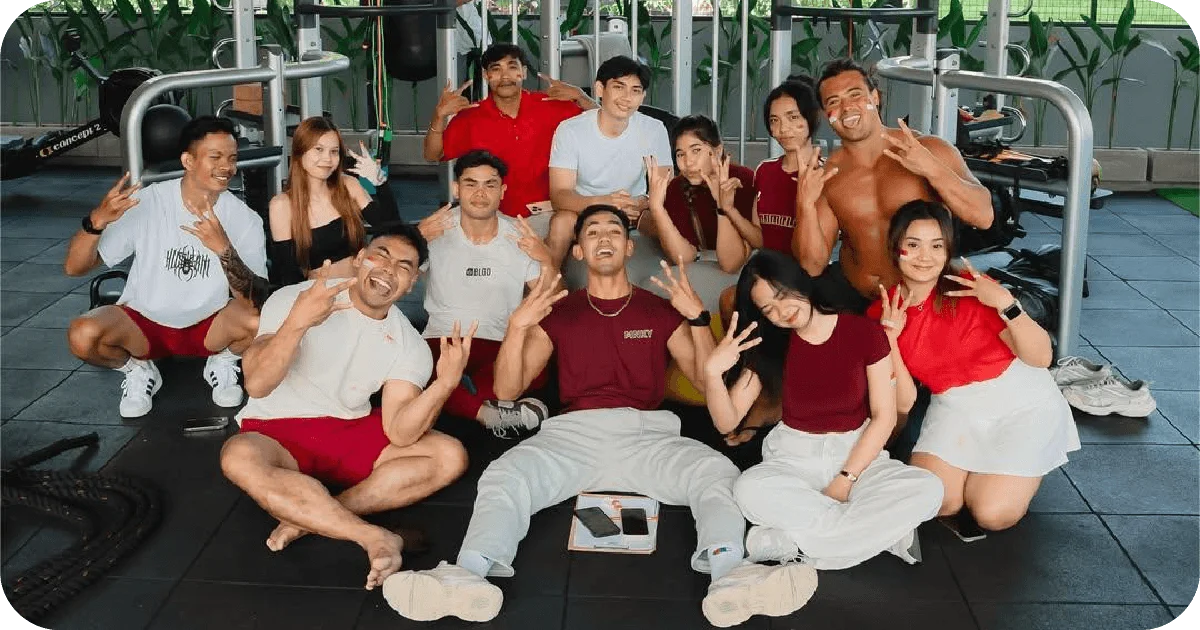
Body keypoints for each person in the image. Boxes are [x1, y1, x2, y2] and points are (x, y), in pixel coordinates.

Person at [381, 206, 818, 628]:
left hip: (648, 432)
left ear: (629, 248)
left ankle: (729, 575)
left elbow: (708, 388)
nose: (604, 238)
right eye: (592, 233)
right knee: (504, 475)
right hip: (573, 434)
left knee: (717, 474)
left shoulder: (659, 310)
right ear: (578, 252)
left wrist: (698, 319)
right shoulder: (559, 312)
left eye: (613, 231)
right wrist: (517, 326)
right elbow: (508, 391)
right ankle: (468, 575)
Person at [219, 223, 471, 591]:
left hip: (345, 428)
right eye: (381, 254)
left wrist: (444, 384)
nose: (388, 269)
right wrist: (298, 323)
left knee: (450, 456)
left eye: (404, 266)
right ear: (358, 259)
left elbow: (400, 431)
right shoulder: (297, 298)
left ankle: (310, 517)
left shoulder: (409, 344)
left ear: (412, 283)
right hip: (274, 429)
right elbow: (258, 383)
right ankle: (373, 537)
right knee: (236, 457)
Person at [704, 249, 943, 570]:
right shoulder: (770, 349)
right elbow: (726, 422)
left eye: (782, 295)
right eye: (768, 309)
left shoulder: (863, 333)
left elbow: (885, 417)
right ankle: (881, 535)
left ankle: (793, 543)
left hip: (858, 455)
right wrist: (712, 374)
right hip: (793, 458)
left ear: (800, 282)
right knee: (748, 490)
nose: (781, 312)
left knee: (928, 488)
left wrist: (845, 479)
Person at [870, 201, 1080, 531]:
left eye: (937, 246)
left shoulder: (970, 287)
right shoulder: (883, 311)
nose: (926, 257)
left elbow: (1041, 359)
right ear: (896, 249)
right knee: (938, 502)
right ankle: (989, 471)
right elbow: (905, 401)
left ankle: (1023, 466)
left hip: (1020, 405)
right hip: (956, 408)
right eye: (913, 245)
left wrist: (1006, 304)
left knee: (991, 514)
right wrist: (891, 339)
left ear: (948, 249)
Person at [64, 116, 267, 418]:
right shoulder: (148, 202)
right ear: (188, 160)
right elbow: (75, 268)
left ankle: (223, 361)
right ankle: (137, 370)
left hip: (210, 325)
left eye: (232, 158)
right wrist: (96, 222)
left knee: (261, 320)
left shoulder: (244, 219)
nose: (227, 167)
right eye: (215, 157)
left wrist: (224, 249)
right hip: (144, 325)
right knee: (82, 334)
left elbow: (254, 300)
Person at [794, 58, 994, 311]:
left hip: (921, 300)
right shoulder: (828, 174)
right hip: (856, 297)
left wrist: (932, 169)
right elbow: (812, 265)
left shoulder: (929, 149)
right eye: (833, 102)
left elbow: (984, 216)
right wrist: (806, 205)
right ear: (825, 114)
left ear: (875, 97)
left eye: (855, 95)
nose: (846, 108)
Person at [416, 150, 553, 435]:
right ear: (457, 188)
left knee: (535, 370)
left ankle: (463, 404)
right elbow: (394, 279)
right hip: (441, 339)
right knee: (413, 367)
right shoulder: (434, 229)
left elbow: (550, 296)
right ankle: (486, 413)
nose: (480, 193)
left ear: (502, 191)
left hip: (497, 341)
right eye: (471, 183)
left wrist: (546, 258)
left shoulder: (519, 233)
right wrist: (415, 240)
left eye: (490, 184)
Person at [424, 43, 595, 224]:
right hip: (491, 215)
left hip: (548, 212)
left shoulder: (551, 105)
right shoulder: (471, 116)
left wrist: (582, 97)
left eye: (512, 67)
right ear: (485, 75)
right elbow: (433, 154)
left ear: (524, 72)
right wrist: (439, 115)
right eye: (496, 69)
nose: (505, 76)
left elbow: (605, 125)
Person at [546, 56, 673, 275]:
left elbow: (664, 188)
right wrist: (604, 202)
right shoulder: (570, 130)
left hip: (634, 211)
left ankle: (675, 286)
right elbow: (559, 196)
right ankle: (546, 288)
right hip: (583, 209)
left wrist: (643, 204)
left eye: (636, 90)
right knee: (561, 223)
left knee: (666, 218)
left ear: (643, 96)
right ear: (599, 89)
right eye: (619, 87)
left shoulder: (654, 129)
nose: (627, 97)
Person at [268, 117, 399, 286]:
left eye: (334, 151)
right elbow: (289, 274)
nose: (328, 159)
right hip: (319, 299)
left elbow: (393, 231)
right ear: (300, 154)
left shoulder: (348, 185)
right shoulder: (282, 205)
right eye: (319, 149)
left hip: (359, 292)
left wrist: (380, 183)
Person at [642, 115, 756, 283]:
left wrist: (722, 207)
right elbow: (683, 257)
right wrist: (657, 208)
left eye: (696, 150)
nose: (688, 162)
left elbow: (731, 265)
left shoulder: (743, 180)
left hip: (741, 273)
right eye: (680, 154)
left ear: (717, 151)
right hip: (700, 269)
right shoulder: (676, 188)